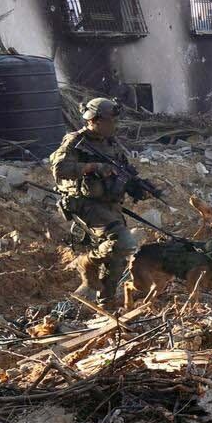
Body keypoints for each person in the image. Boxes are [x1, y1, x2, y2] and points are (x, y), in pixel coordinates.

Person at [48, 97, 141, 310]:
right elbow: (59, 169)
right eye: (109, 121)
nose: (113, 126)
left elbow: (122, 171)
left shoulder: (111, 143)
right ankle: (87, 262)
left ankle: (106, 302)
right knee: (123, 242)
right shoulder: (75, 141)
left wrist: (136, 187)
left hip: (110, 205)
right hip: (86, 204)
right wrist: (93, 167)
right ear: (94, 120)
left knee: (118, 258)